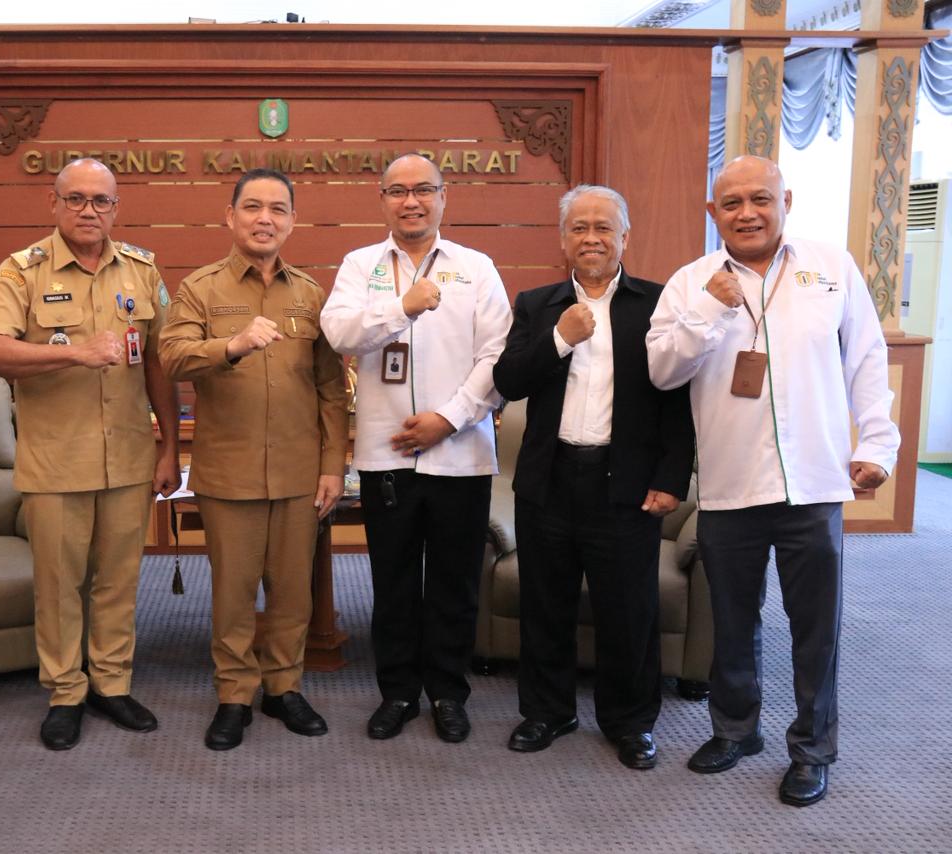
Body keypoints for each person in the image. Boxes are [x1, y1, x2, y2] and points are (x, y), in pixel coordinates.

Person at [646, 155, 900, 806]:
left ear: (785, 200)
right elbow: (662, 372)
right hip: (731, 486)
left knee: (816, 627)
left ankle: (813, 750)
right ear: (714, 214)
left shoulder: (831, 268)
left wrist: (877, 442)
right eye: (730, 203)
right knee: (732, 621)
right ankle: (735, 731)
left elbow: (867, 358)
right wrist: (708, 307)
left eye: (760, 198)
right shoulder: (690, 281)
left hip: (813, 485)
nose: (747, 212)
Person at [0, 157, 181, 751]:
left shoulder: (141, 270)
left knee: (117, 580)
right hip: (57, 460)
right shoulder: (23, 271)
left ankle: (111, 684)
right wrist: (74, 354)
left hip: (129, 458)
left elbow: (159, 362)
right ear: (54, 203)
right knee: (60, 584)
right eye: (78, 199)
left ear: (117, 207)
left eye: (102, 201)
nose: (90, 211)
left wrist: (169, 445)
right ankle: (65, 690)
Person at [492, 184, 694, 769]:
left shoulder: (657, 304)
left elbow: (677, 402)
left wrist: (671, 478)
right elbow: (508, 381)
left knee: (629, 611)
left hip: (625, 484)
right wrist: (561, 337)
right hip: (549, 482)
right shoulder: (537, 303)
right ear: (563, 240)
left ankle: (630, 723)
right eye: (579, 227)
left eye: (604, 227)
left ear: (625, 238)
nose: (591, 238)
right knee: (545, 604)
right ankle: (547, 712)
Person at [321, 153, 511, 742]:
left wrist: (448, 420)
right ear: (382, 200)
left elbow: (497, 357)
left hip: (461, 455)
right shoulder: (360, 265)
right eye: (398, 191)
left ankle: (449, 695)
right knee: (394, 583)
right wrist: (400, 307)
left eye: (423, 190)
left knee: (455, 584)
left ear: (443, 196)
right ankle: (399, 693)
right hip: (385, 458)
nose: (411, 201)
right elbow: (338, 331)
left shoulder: (476, 268)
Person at [157, 168, 349, 751]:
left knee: (293, 594)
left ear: (293, 220)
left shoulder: (312, 294)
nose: (266, 218)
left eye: (279, 209)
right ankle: (234, 695)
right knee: (234, 594)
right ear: (231, 216)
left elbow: (330, 388)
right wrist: (231, 346)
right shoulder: (200, 289)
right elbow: (172, 357)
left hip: (298, 473)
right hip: (229, 473)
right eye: (253, 207)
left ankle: (284, 687)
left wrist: (333, 465)